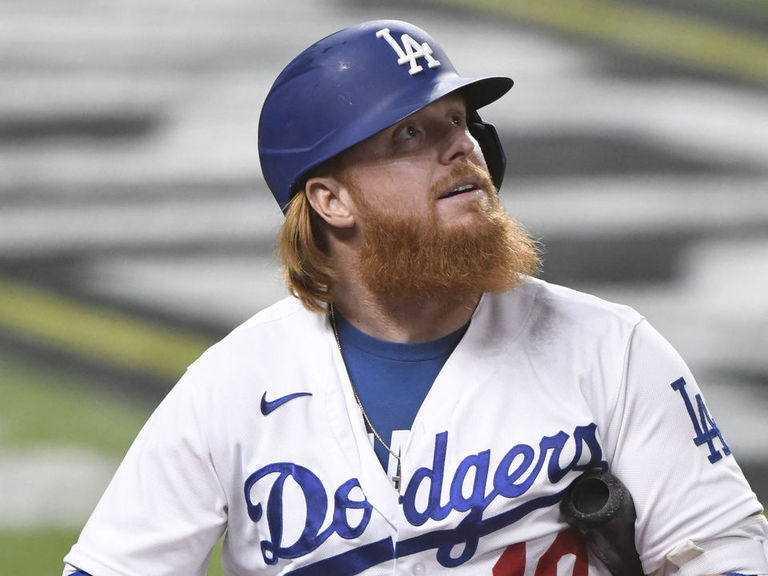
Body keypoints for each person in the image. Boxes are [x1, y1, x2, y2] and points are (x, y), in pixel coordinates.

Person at [63, 19, 767, 576]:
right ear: (330, 199)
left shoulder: (610, 349)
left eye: (460, 121)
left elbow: (726, 553)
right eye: (410, 133)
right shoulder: (232, 387)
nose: (460, 147)